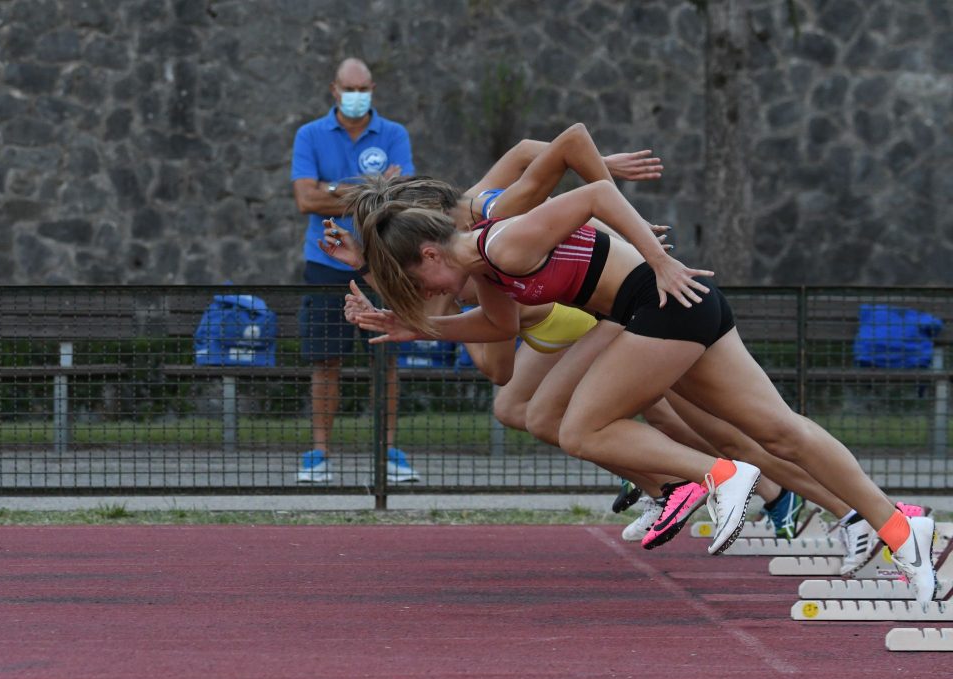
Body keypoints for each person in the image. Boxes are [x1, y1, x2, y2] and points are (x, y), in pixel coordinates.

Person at [350, 147, 937, 603]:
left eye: (418, 287)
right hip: (677, 307)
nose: (428, 298)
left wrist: (659, 259)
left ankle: (724, 477)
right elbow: (498, 331)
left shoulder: (502, 242)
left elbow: (596, 193)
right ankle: (899, 527)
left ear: (429, 255)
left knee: (581, 427)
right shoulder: (490, 274)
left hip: (661, 304)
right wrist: (419, 330)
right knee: (781, 429)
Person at [290, 57, 418, 484]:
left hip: (382, 261)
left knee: (386, 357)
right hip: (324, 264)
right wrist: (371, 188)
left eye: (364, 87)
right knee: (325, 358)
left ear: (373, 89)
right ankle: (320, 451)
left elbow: (401, 198)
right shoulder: (309, 135)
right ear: (334, 89)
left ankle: (389, 451)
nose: (357, 94)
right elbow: (306, 200)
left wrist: (334, 187)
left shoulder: (395, 134)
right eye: (349, 87)